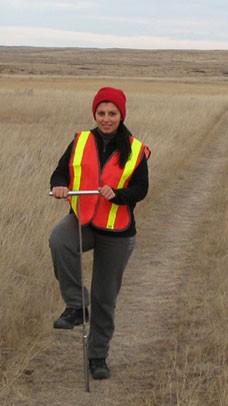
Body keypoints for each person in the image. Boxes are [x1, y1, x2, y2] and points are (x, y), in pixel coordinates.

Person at [49, 86, 150, 380]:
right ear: (95, 113)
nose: (106, 119)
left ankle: (98, 357)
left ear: (122, 115)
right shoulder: (80, 141)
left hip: (118, 232)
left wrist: (117, 194)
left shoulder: (135, 149)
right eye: (101, 113)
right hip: (83, 220)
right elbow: (59, 173)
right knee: (59, 240)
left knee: (105, 298)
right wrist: (59, 186)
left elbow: (141, 190)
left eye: (112, 113)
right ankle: (77, 305)